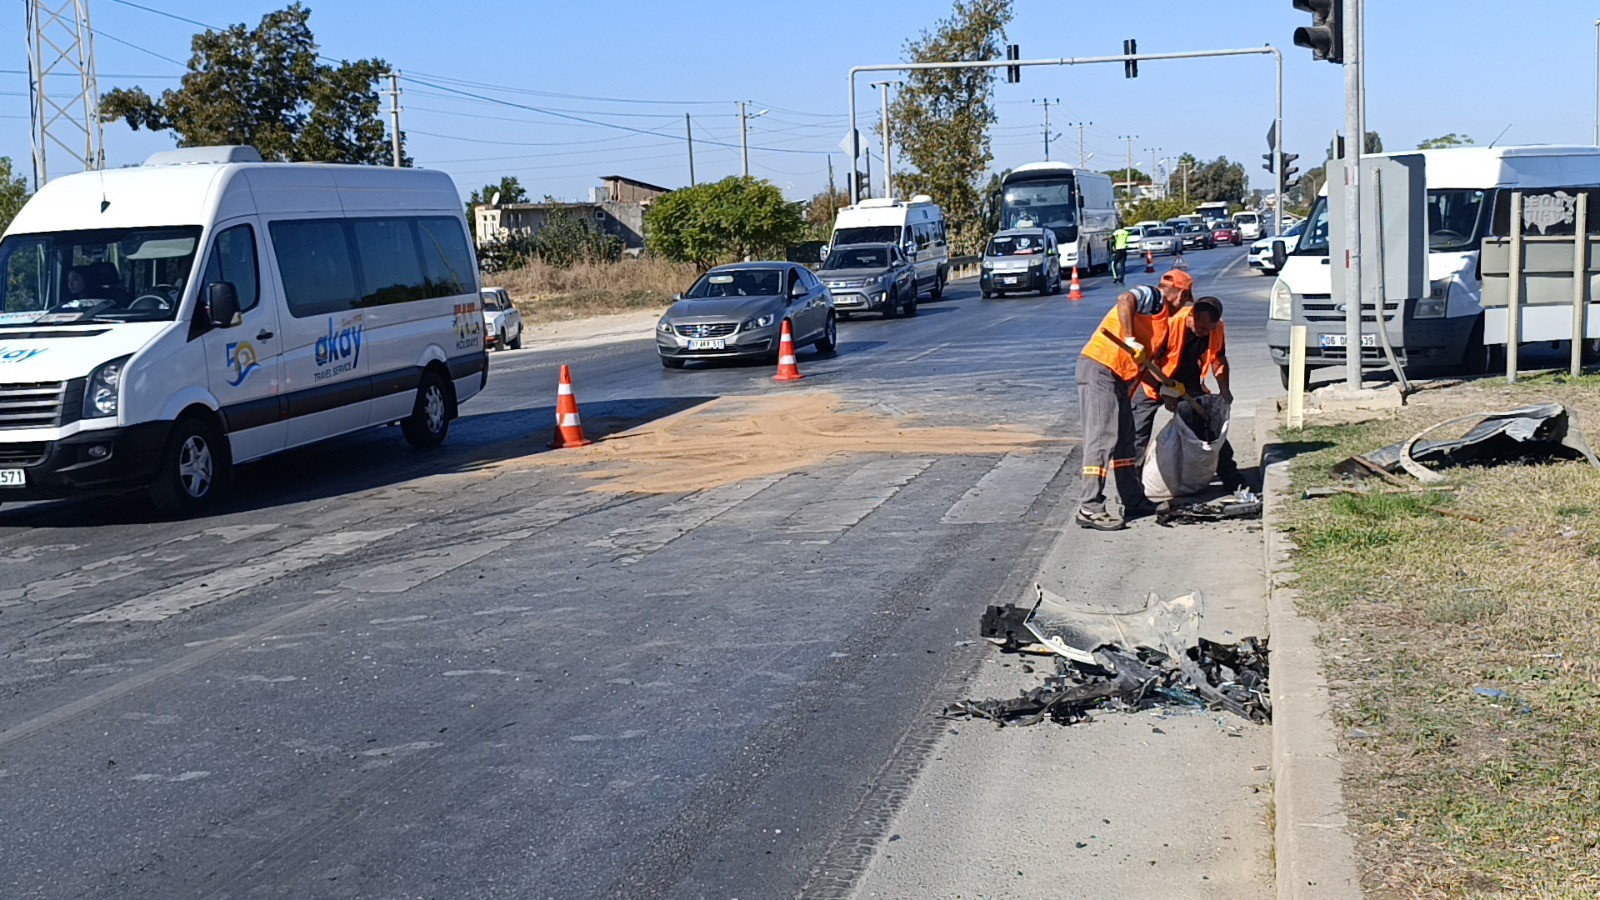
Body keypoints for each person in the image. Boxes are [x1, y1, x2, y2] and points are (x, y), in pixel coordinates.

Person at [1074, 268, 1193, 531]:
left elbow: (1144, 367)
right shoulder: (1153, 296)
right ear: (1181, 293)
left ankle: (1133, 499)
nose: (1184, 306)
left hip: (1117, 377)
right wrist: (1129, 338)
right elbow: (1124, 300)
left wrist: (1167, 388)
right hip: (1100, 367)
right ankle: (1089, 507)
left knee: (1126, 440)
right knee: (1102, 438)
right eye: (1186, 300)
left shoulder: (1161, 321)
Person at [1130, 295, 1244, 491]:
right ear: (1192, 316)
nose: (1204, 333)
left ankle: (1231, 476)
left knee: (1206, 421)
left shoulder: (1215, 328)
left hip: (1187, 379)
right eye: (1201, 328)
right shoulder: (1170, 323)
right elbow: (1144, 363)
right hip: (1152, 379)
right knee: (1138, 434)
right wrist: (1165, 391)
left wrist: (1225, 390)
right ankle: (1132, 488)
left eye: (1209, 329)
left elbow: (1219, 359)